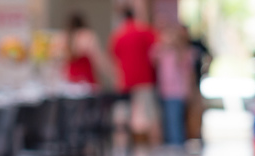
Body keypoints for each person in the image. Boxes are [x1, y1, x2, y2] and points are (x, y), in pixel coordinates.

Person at [110, 8, 158, 143]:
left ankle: (122, 148)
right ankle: (154, 147)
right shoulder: (144, 31)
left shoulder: (118, 35)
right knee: (150, 118)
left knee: (123, 119)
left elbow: (114, 59)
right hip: (144, 79)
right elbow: (156, 51)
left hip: (125, 82)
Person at [155, 23, 192, 146]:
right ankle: (171, 144)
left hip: (177, 92)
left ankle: (177, 144)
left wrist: (188, 91)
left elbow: (187, 74)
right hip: (165, 91)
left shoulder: (182, 54)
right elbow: (152, 56)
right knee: (168, 121)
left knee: (176, 121)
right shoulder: (162, 53)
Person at [63, 13, 106, 87]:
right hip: (86, 77)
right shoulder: (88, 35)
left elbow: (64, 62)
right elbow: (97, 59)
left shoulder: (66, 37)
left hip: (71, 78)